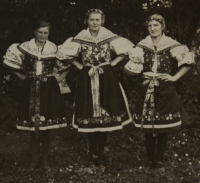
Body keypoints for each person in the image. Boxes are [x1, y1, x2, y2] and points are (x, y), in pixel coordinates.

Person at [56, 8, 133, 169]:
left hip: (106, 78)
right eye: (92, 20)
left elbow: (126, 52)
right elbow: (66, 55)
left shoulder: (109, 36)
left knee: (104, 114)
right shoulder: (81, 38)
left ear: (102, 21)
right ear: (87, 21)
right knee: (89, 112)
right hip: (87, 78)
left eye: (98, 20)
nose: (95, 23)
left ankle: (101, 153)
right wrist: (81, 66)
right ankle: (92, 154)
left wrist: (111, 64)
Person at [124, 14, 195, 172]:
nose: (153, 28)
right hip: (145, 86)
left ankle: (160, 160)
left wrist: (174, 77)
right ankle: (150, 160)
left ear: (163, 27)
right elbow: (132, 69)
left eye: (156, 25)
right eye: (150, 26)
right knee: (148, 126)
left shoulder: (172, 45)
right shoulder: (142, 46)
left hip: (164, 88)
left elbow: (188, 62)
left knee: (163, 125)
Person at [3, 20, 69, 169]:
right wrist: (22, 77)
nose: (43, 35)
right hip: (31, 87)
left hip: (49, 88)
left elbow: (66, 65)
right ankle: (33, 159)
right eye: (40, 32)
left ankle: (45, 159)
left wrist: (58, 78)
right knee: (33, 125)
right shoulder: (25, 48)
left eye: (46, 32)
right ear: (34, 32)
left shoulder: (54, 49)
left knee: (47, 125)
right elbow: (12, 64)